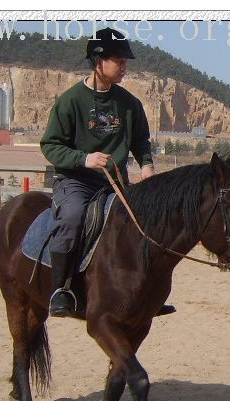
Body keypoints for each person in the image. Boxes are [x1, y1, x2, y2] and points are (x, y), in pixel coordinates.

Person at [41, 27, 156, 317]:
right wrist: (83, 158)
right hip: (76, 181)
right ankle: (61, 290)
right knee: (72, 217)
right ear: (97, 60)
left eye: (126, 61)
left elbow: (141, 141)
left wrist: (147, 166)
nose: (124, 67)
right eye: (119, 60)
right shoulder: (70, 101)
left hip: (116, 183)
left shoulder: (130, 104)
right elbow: (51, 145)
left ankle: (147, 291)